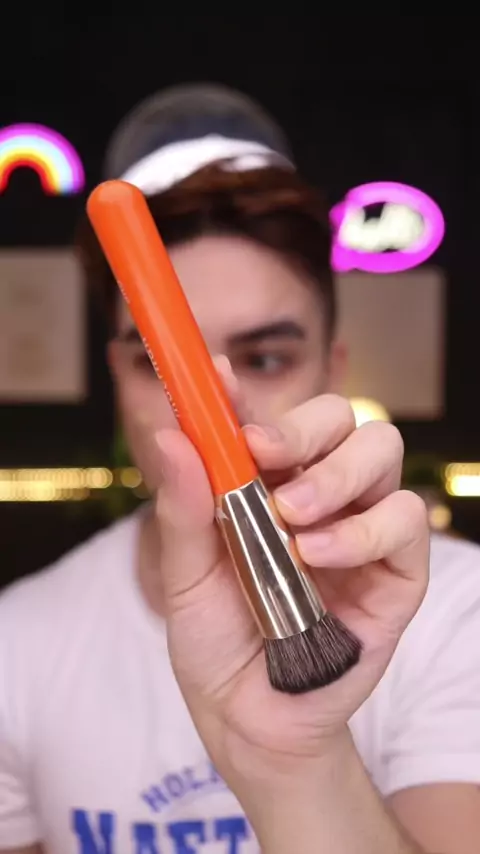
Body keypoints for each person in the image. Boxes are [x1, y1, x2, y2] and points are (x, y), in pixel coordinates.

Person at [1, 84, 479, 854]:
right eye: (163, 365)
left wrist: (297, 768)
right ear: (117, 380)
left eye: (264, 357)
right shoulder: (17, 645)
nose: (213, 410)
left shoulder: (458, 609)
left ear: (332, 367)